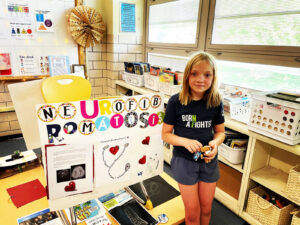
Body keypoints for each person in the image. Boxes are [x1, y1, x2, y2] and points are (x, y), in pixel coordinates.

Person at [162, 52, 225, 225]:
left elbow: (221, 132)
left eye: (207, 75)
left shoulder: (216, 100)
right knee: (192, 212)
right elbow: (165, 134)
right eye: (195, 73)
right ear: (187, 74)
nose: (200, 79)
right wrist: (185, 141)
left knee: (206, 208)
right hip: (184, 162)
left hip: (208, 161)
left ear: (213, 77)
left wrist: (215, 143)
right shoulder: (176, 101)